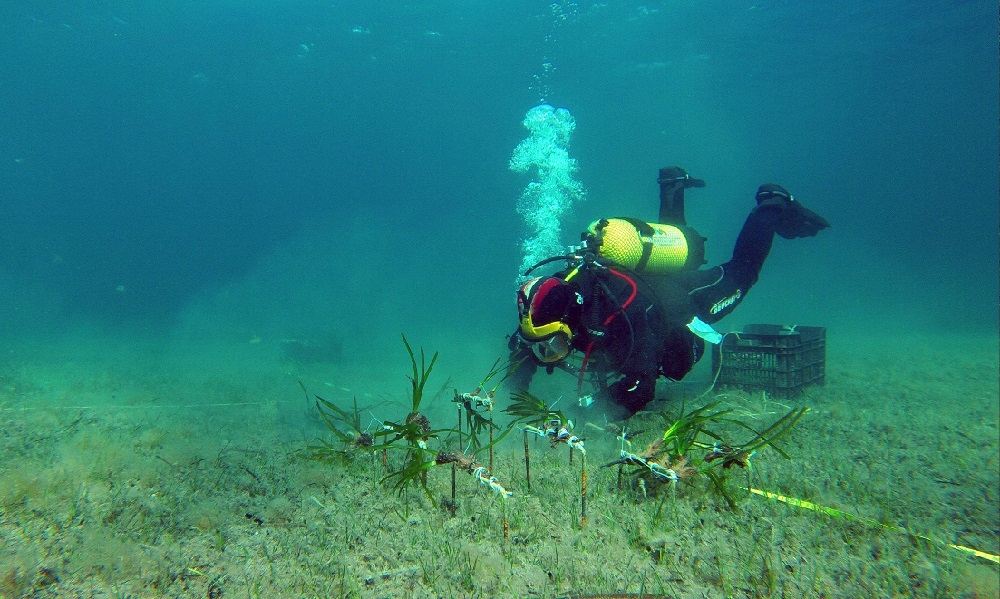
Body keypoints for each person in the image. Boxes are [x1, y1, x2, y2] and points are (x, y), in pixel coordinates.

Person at [507, 166, 829, 419]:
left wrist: (584, 414)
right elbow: (527, 347)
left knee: (741, 275)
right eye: (545, 348)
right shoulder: (551, 305)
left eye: (554, 345)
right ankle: (672, 186)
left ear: (569, 317)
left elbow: (640, 387)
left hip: (683, 299)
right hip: (652, 282)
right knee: (673, 269)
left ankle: (770, 206)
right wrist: (515, 395)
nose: (549, 355)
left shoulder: (622, 311)